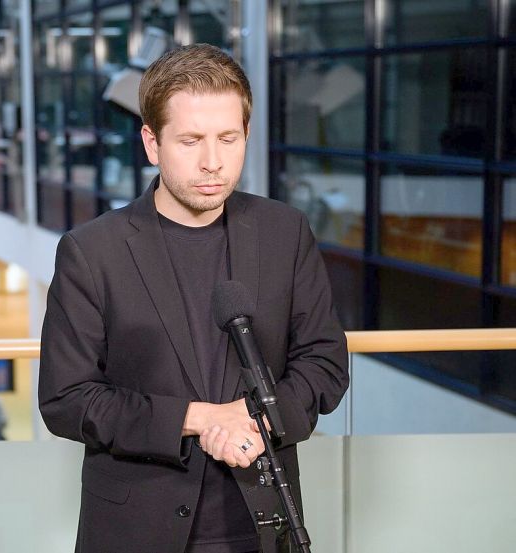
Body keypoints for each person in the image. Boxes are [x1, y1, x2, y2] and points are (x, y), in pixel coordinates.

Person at [38, 44, 349, 553]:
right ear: (152, 143)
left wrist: (255, 419)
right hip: (134, 532)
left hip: (264, 527)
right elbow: (66, 399)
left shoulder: (285, 232)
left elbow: (324, 361)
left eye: (228, 138)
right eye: (191, 140)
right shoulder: (91, 252)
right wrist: (199, 418)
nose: (213, 162)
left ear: (246, 134)